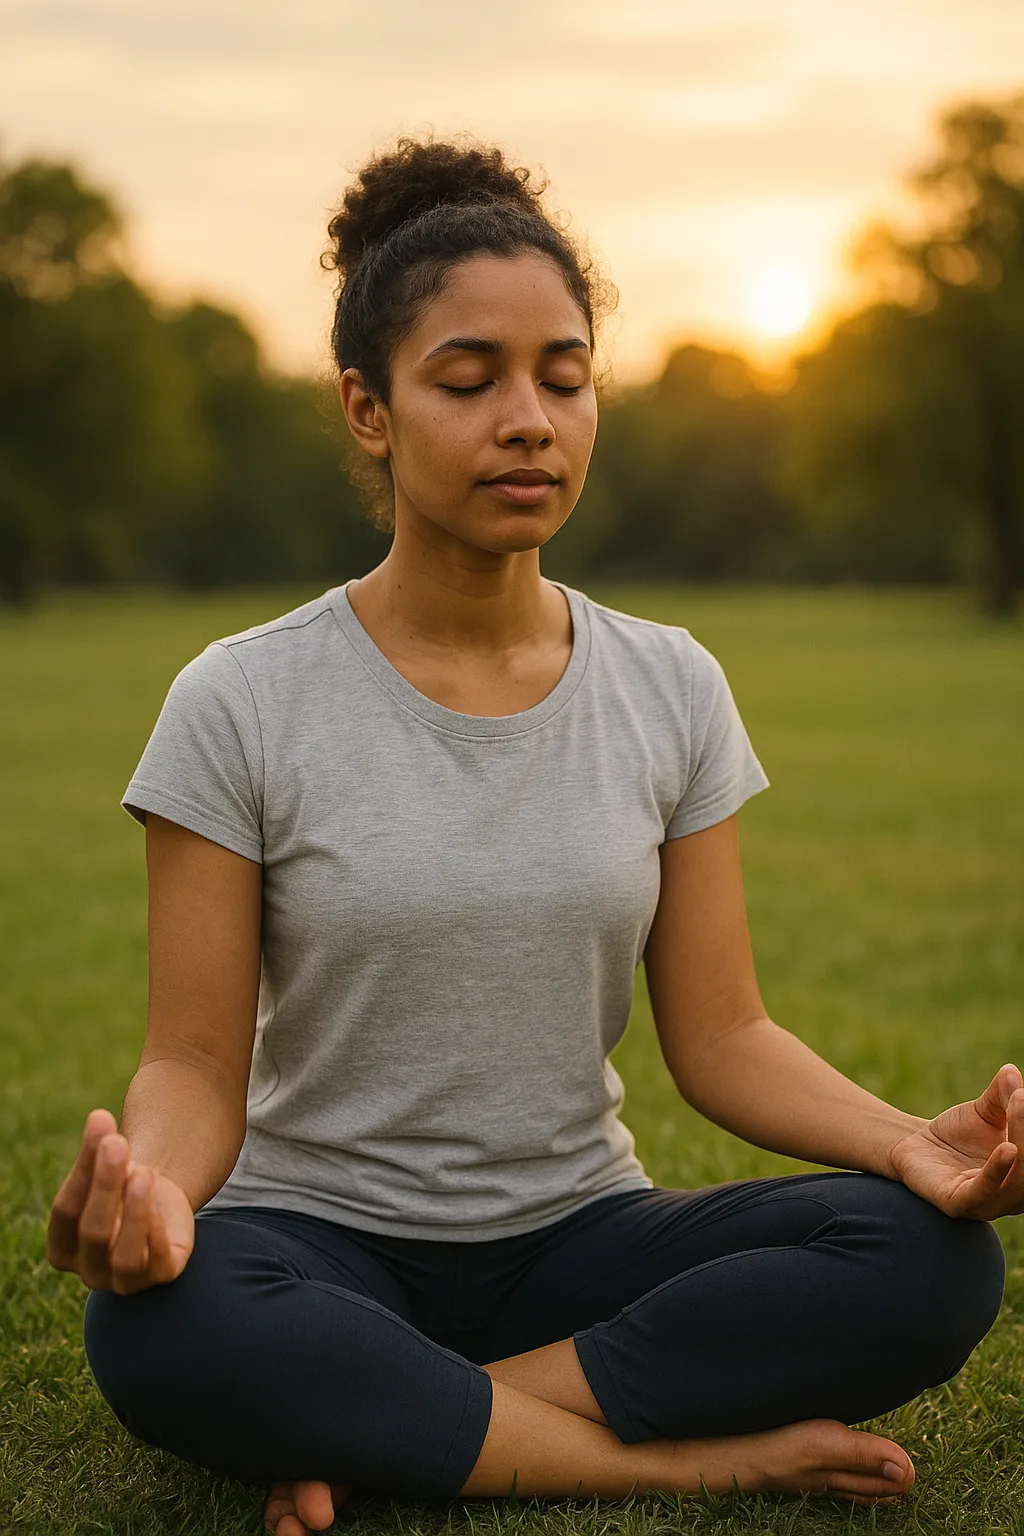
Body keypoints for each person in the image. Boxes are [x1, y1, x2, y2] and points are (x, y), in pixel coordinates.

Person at [48, 135, 1019, 1536]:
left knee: (931, 1264)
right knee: (155, 1327)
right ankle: (659, 1456)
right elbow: (195, 1059)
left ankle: (393, 1416)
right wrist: (154, 1193)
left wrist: (909, 1146)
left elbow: (725, 1035)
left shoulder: (671, 683)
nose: (530, 419)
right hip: (317, 1240)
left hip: (578, 1238)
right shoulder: (242, 698)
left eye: (565, 380)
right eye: (469, 380)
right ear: (368, 409)